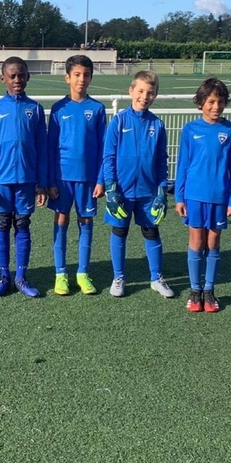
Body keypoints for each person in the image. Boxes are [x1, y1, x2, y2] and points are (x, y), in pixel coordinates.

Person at [100, 71, 172, 298]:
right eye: (140, 91)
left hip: (148, 192)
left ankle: (156, 277)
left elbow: (161, 160)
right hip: (121, 190)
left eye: (150, 93)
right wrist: (111, 188)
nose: (144, 96)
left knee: (151, 231)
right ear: (131, 91)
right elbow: (108, 157)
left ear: (155, 95)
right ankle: (118, 277)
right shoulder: (119, 121)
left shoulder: (157, 124)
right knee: (120, 231)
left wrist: (162, 189)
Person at [0, 57, 48, 297]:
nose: (17, 79)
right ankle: (4, 276)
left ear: (28, 77)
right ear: (3, 79)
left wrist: (42, 183)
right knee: (2, 223)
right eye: (12, 76)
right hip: (1, 180)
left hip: (27, 180)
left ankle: (21, 277)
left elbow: (42, 149)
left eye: (21, 75)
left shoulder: (36, 109)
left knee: (22, 224)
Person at [175, 77, 231, 313]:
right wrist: (179, 197)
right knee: (196, 241)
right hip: (194, 195)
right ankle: (195, 291)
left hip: (219, 196)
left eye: (220, 101)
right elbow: (183, 165)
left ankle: (209, 291)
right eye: (211, 101)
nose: (216, 106)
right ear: (200, 103)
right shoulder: (190, 129)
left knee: (213, 242)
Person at [47, 54, 106, 295]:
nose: (82, 79)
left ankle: (83, 273)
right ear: (67, 78)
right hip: (62, 178)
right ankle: (60, 273)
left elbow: (103, 148)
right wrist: (50, 180)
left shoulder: (97, 109)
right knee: (62, 219)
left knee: (86, 221)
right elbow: (51, 147)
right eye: (77, 75)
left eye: (86, 75)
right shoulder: (58, 109)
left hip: (88, 179)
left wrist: (101, 180)